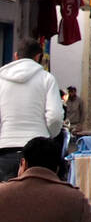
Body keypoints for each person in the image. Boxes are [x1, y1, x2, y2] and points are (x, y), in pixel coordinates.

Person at [0, 39, 64, 182]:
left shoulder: (1, 79)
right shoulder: (47, 79)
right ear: (38, 57)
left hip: (5, 150)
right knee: (36, 198)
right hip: (37, 152)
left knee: (4, 199)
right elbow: (55, 117)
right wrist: (48, 136)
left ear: (16, 56)